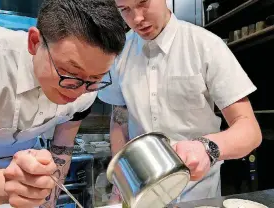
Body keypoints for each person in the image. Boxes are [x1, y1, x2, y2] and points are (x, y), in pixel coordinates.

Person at [98, 0, 262, 203]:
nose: (137, 18)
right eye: (125, 10)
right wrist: (120, 180)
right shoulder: (120, 55)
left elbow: (250, 130)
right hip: (143, 195)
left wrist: (207, 147)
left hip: (199, 194)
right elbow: (119, 122)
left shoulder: (206, 45)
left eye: (143, 3)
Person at [0, 0, 125, 207]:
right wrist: (4, 185)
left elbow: (63, 145)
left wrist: (48, 202)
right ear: (35, 42)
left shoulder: (86, 89)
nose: (81, 91)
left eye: (95, 79)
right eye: (70, 74)